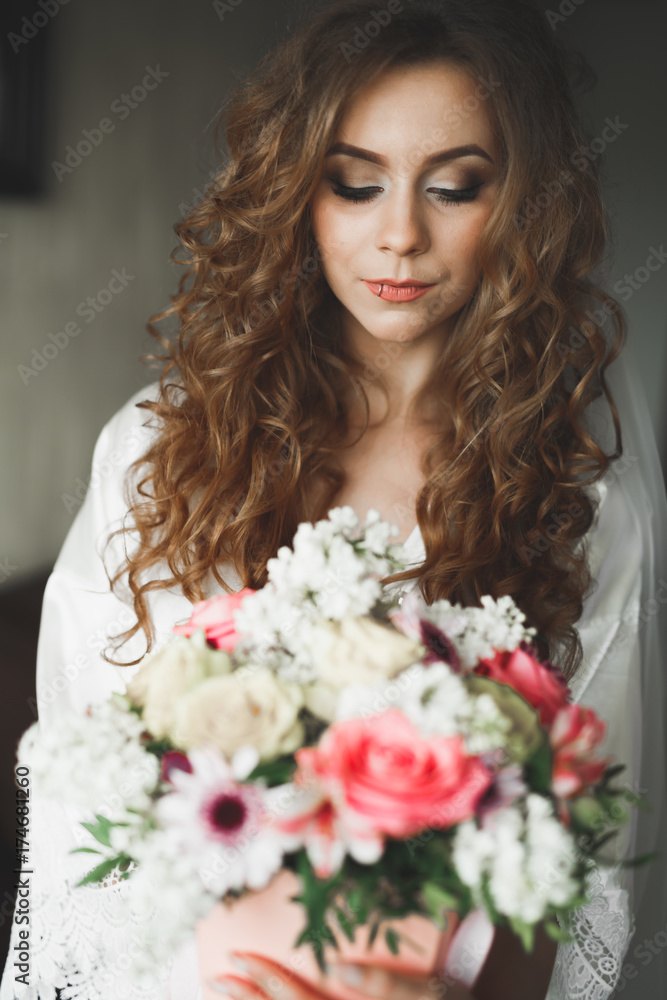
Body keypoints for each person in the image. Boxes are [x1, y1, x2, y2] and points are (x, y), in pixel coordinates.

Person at [2, 1, 666, 998]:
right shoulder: (159, 449)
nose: (399, 234)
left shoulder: (575, 495)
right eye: (355, 183)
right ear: (296, 194)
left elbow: (583, 861)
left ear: (525, 205)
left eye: (454, 187)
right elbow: (77, 820)